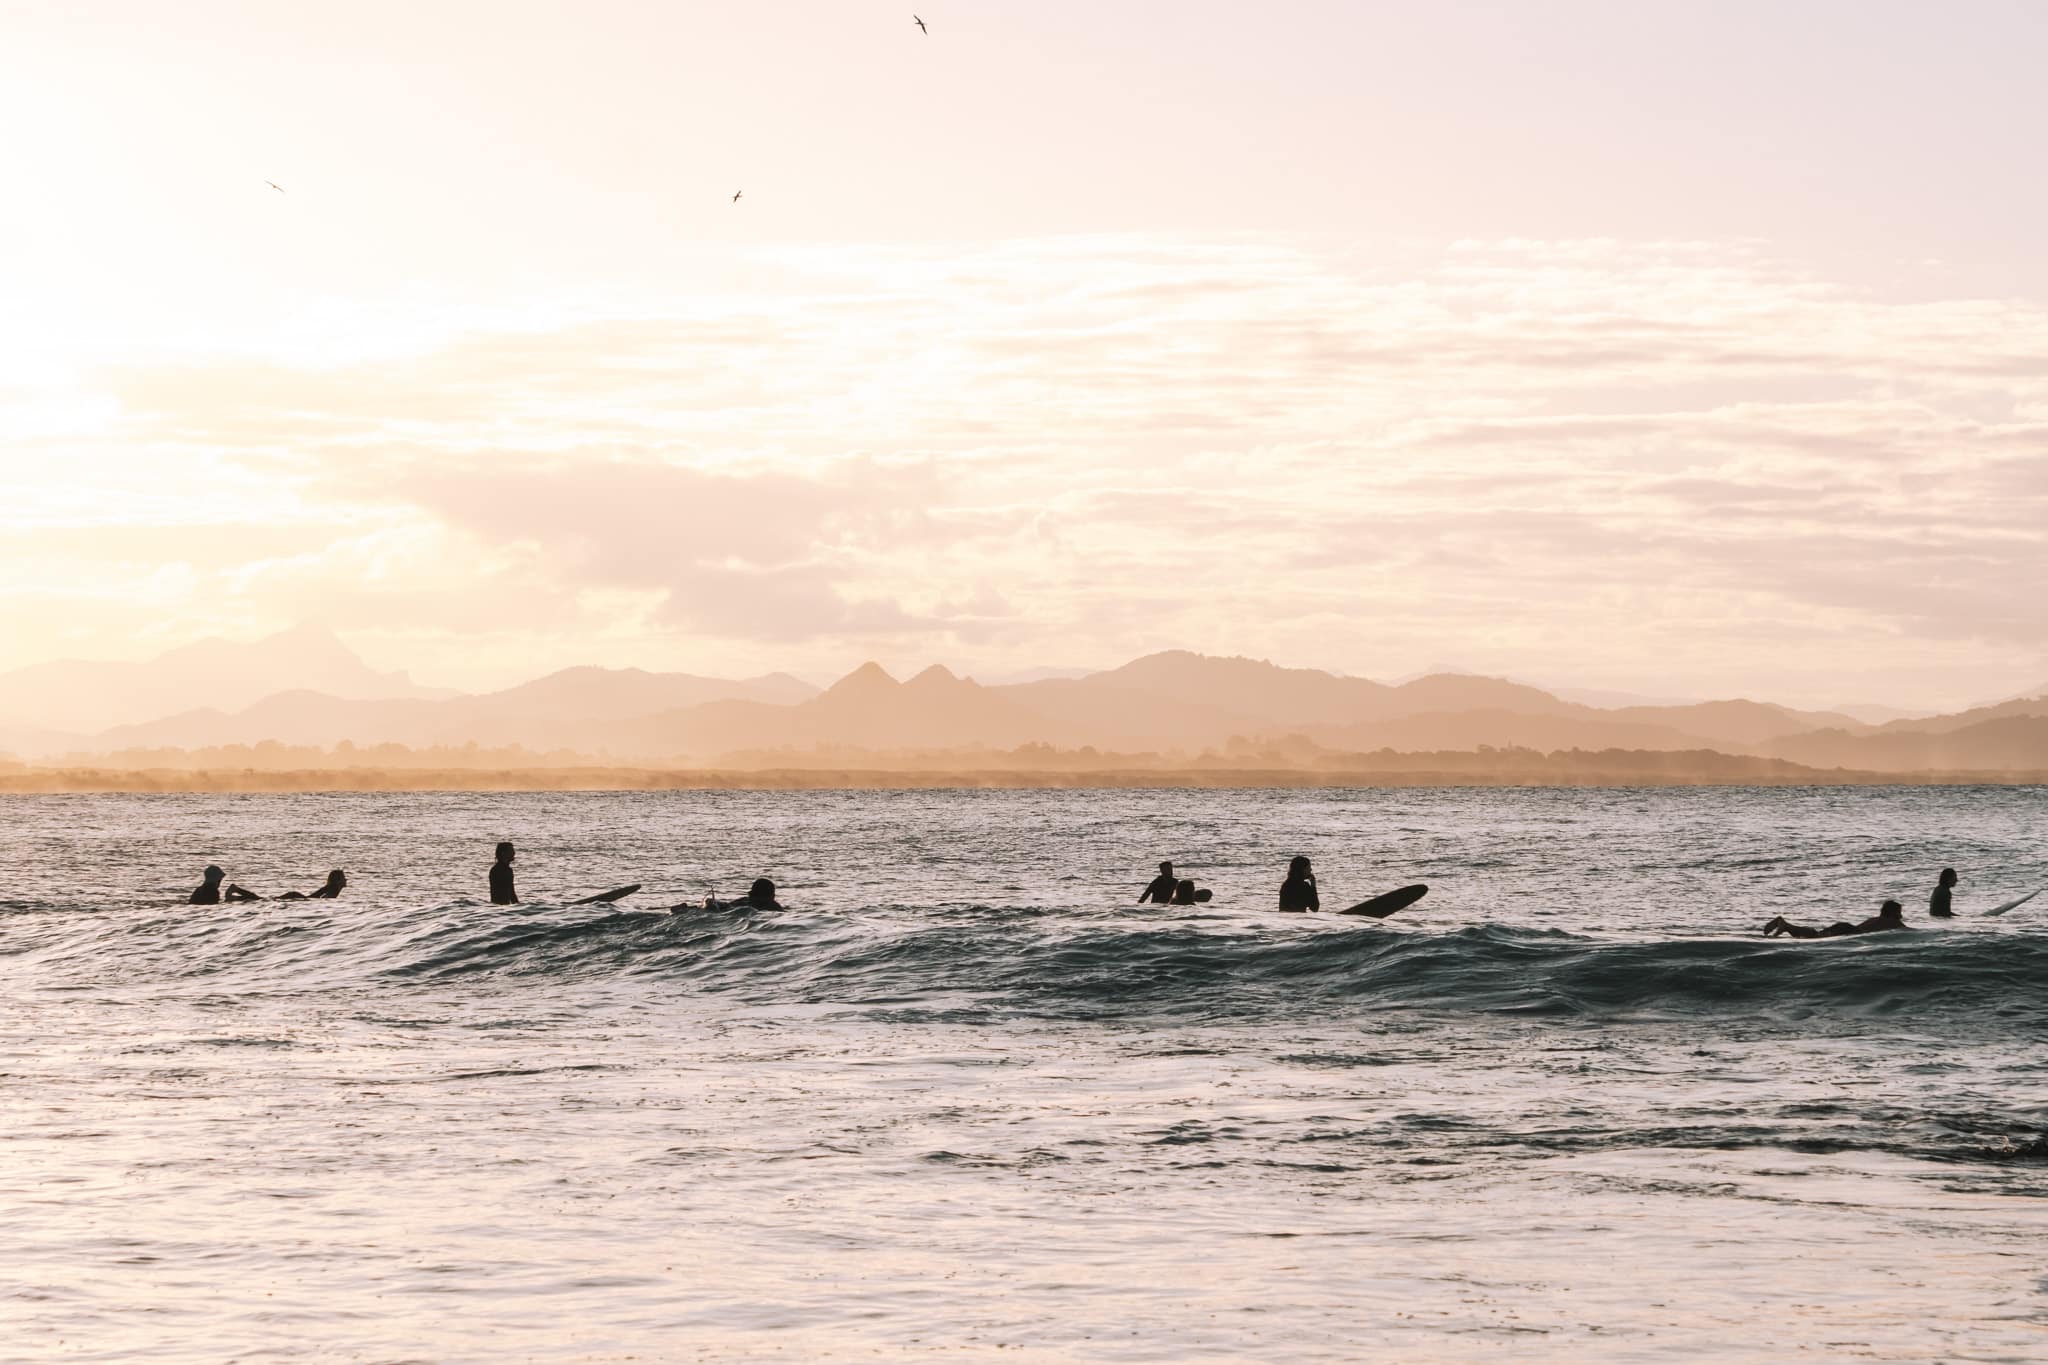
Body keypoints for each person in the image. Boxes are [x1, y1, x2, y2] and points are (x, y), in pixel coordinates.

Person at [1763, 900, 1907, 939]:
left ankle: (1785, 925)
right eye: (1899, 912)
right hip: (1850, 931)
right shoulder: (1892, 922)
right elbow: (1910, 932)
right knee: (1815, 937)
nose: (1900, 915)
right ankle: (1785, 926)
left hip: (1845, 927)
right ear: (1892, 912)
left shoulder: (1875, 919)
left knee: (1815, 935)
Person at [701, 878, 784, 912]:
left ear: (751, 893)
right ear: (771, 896)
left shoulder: (744, 900)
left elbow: (727, 906)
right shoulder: (773, 906)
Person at [191, 865, 261, 903]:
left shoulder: (198, 890)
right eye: (220, 880)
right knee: (255, 899)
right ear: (217, 880)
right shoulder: (213, 891)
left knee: (253, 898)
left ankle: (236, 890)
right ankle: (236, 889)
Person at [281, 870, 347, 901]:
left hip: (302, 897)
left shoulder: (332, 887)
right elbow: (325, 900)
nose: (346, 879)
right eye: (343, 877)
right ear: (338, 880)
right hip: (302, 898)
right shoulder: (334, 889)